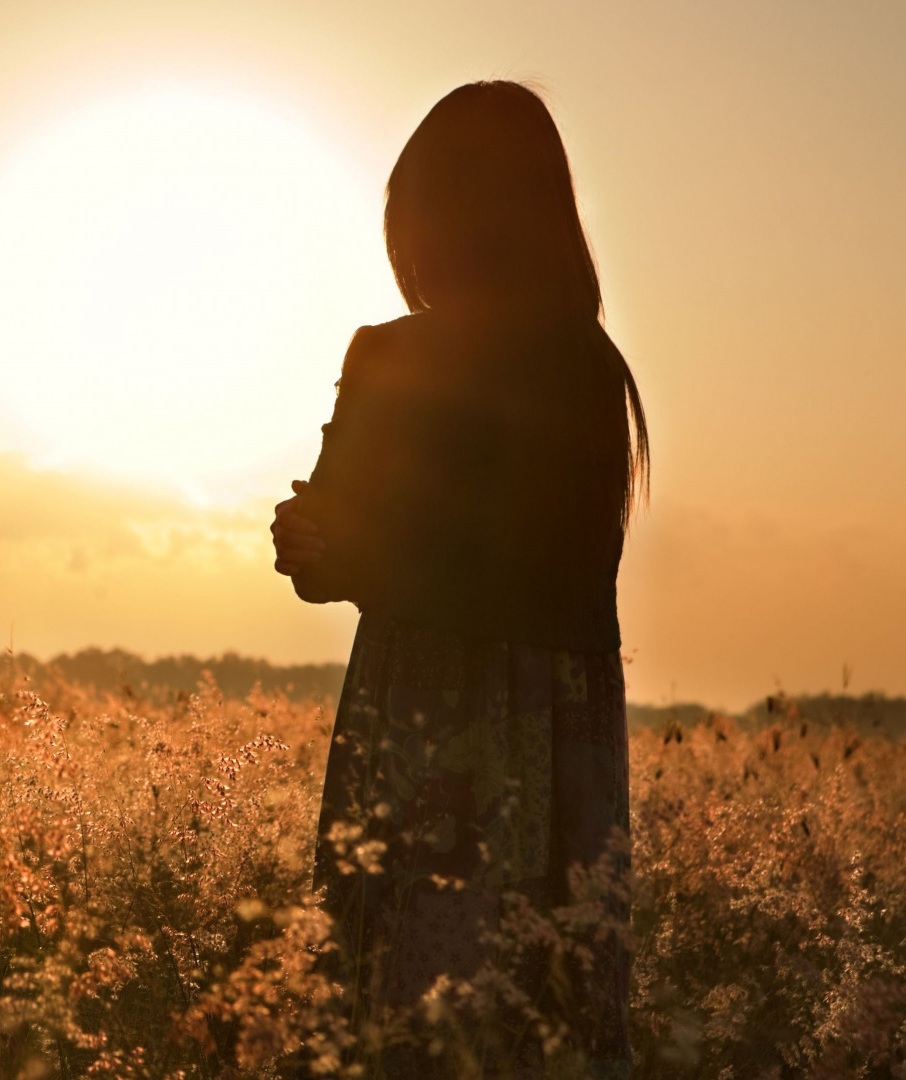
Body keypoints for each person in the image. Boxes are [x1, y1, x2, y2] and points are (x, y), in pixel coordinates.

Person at [271, 81, 648, 1078]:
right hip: (565, 737)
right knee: (550, 1029)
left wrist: (326, 547)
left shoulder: (394, 355)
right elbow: (549, 571)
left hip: (423, 716)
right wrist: (333, 549)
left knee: (403, 1017)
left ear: (426, 216)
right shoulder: (592, 366)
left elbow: (385, 560)